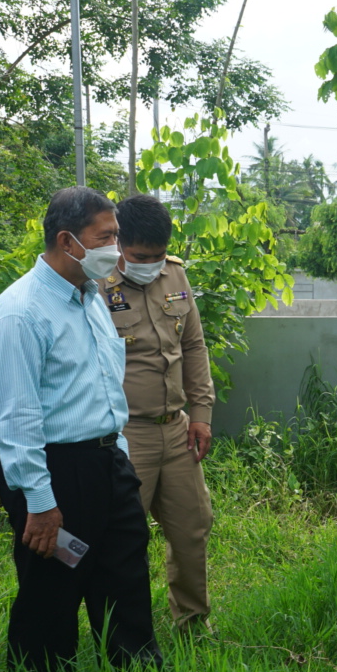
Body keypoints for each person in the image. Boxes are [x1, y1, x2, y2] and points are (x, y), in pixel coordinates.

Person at [0, 187, 161, 672]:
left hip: (106, 461)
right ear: (67, 240)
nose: (117, 250)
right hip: (53, 468)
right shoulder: (20, 313)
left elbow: (104, 386)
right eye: (106, 237)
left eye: (117, 236)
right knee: (53, 585)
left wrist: (118, 454)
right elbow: (16, 419)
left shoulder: (91, 298)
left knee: (125, 573)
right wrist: (39, 501)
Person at [98, 194, 216, 635]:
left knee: (192, 528)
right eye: (140, 256)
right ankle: (123, 631)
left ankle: (191, 621)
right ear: (120, 245)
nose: (151, 264)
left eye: (159, 255)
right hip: (127, 434)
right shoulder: (95, 283)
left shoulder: (176, 275)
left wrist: (201, 413)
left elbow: (193, 346)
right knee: (124, 538)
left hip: (178, 430)